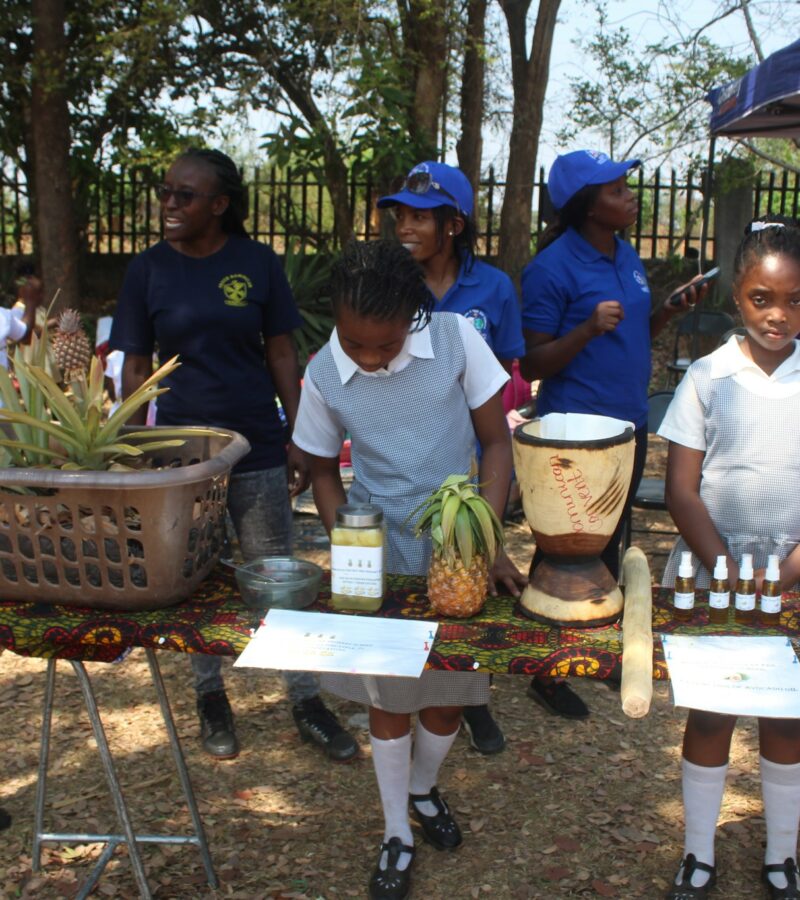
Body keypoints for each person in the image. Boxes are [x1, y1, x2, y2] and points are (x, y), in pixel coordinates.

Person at [109, 147, 356, 763]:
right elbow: (136, 364)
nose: (169, 203)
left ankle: (305, 700)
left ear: (219, 204)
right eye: (165, 192)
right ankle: (210, 693)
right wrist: (129, 452)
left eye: (183, 195)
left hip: (256, 448)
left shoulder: (258, 263)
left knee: (277, 573)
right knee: (195, 578)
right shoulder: (148, 271)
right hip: (181, 462)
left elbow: (281, 354)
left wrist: (301, 435)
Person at [292, 239, 519, 900]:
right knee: (390, 700)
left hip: (458, 539)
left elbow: (496, 439)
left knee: (449, 698)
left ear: (413, 318)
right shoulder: (323, 372)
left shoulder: (454, 341)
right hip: (380, 547)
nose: (369, 357)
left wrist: (489, 540)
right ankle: (396, 830)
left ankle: (423, 788)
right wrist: (347, 545)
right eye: (354, 343)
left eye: (384, 345)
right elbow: (320, 466)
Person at [520, 149, 706, 719]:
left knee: (610, 544)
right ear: (587, 207)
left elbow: (632, 334)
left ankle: (595, 650)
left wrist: (668, 314)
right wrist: (585, 327)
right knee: (566, 545)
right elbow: (531, 365)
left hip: (627, 424)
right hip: (576, 430)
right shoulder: (550, 269)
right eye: (617, 190)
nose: (630, 197)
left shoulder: (626, 256)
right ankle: (545, 667)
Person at [659, 218, 800, 900]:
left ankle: (780, 857)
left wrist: (787, 570)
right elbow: (682, 491)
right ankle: (697, 855)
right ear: (738, 298)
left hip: (797, 577)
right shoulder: (708, 378)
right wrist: (726, 567)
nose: (777, 314)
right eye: (760, 299)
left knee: (787, 714)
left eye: (794, 300)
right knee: (713, 711)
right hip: (714, 572)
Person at [377, 161, 527, 755]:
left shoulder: (493, 288)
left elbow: (511, 374)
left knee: (473, 577)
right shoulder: (390, 288)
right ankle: (415, 694)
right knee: (418, 585)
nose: (406, 228)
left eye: (420, 217)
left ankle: (471, 695)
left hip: (476, 456)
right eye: (401, 217)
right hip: (413, 455)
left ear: (454, 224)